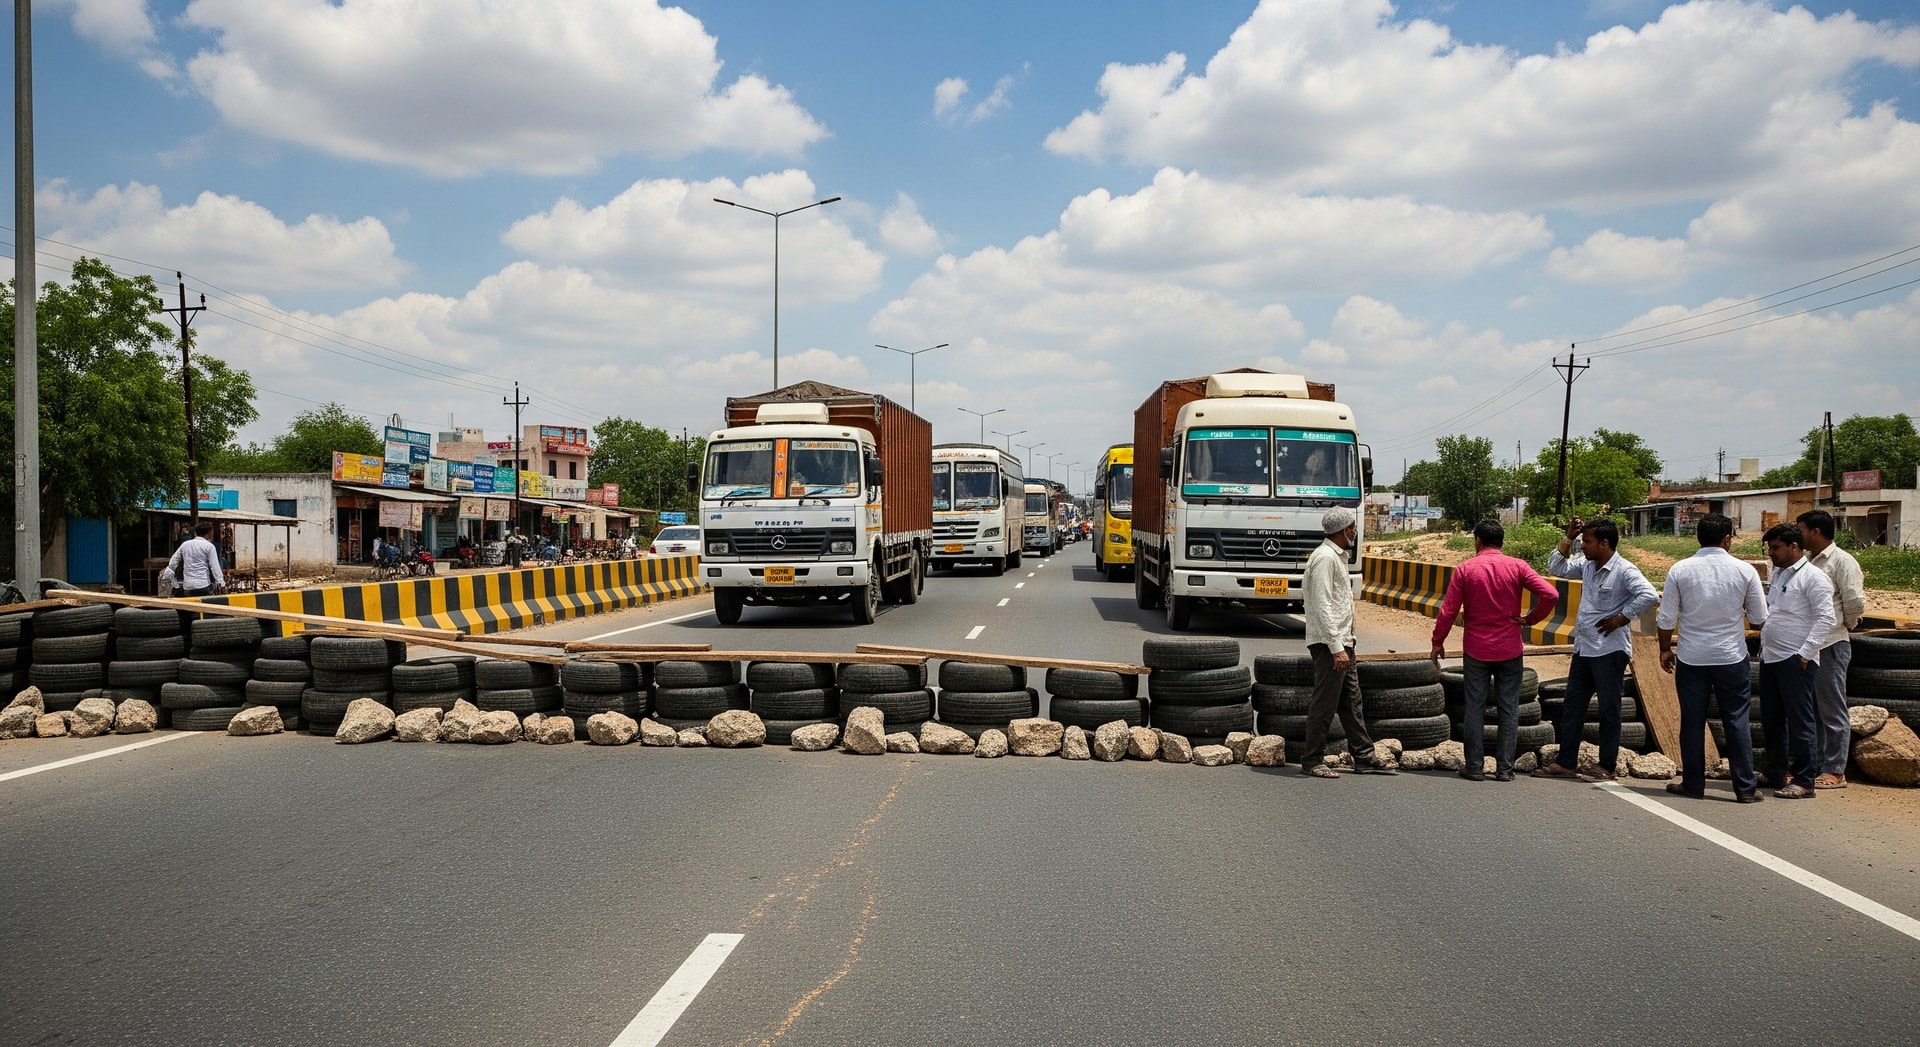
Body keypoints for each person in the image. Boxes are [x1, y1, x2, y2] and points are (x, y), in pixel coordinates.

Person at [1429, 519, 1561, 782]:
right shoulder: (1518, 566)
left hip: (1476, 649)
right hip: (1510, 648)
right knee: (1509, 710)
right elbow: (1551, 595)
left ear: (1478, 540)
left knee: (1474, 709)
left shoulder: (1466, 569)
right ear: (1502, 541)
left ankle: (1475, 767)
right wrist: (1531, 619)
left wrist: (1438, 641)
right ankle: (1505, 769)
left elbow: (1449, 610)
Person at [1655, 513, 1770, 803]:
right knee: (1737, 720)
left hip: (1693, 658)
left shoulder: (1680, 570)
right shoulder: (1744, 571)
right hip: (1731, 657)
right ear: (1727, 539)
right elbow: (1759, 618)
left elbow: (1666, 618)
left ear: (1698, 538)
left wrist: (1665, 649)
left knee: (1692, 721)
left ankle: (1693, 784)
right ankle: (1745, 788)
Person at [1534, 517, 1658, 782]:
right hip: (1584, 648)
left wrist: (1622, 617)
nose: (1583, 546)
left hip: (1610, 651)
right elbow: (1557, 567)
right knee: (1573, 706)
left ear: (1604, 543)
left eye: (1587, 541)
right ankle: (1566, 762)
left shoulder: (1624, 570)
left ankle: (1607, 765)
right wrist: (1567, 538)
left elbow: (1649, 595)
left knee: (1608, 710)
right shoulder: (1587, 565)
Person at [1300, 506, 1398, 778]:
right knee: (1325, 703)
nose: (1355, 531)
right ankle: (1312, 760)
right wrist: (1336, 648)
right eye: (1353, 527)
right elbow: (1321, 605)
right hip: (1330, 644)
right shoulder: (1324, 559)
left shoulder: (1336, 557)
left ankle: (1364, 757)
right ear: (1345, 531)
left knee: (1351, 702)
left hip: (1344, 643)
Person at [1756, 523, 1838, 800]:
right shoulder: (1779, 574)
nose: (1771, 554)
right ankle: (1776, 770)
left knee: (1800, 721)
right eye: (1769, 548)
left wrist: (1804, 654)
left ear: (1794, 547)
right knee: (1773, 718)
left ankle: (1805, 780)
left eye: (1776, 548)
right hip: (1771, 657)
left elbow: (1826, 618)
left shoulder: (1814, 577)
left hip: (1795, 659)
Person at [1797, 510, 1865, 790]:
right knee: (1810, 708)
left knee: (1832, 708)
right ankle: (1813, 766)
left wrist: (1843, 626)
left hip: (1831, 644)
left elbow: (1854, 602)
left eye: (1801, 530)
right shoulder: (1804, 562)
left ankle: (1835, 770)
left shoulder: (1842, 561)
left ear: (1815, 532)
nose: (1797, 535)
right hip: (1808, 646)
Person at [165, 522, 226, 597]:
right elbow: (215, 567)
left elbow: (173, 562)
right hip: (203, 585)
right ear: (210, 532)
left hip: (188, 586)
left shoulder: (185, 545)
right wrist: (221, 583)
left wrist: (167, 577)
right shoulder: (209, 546)